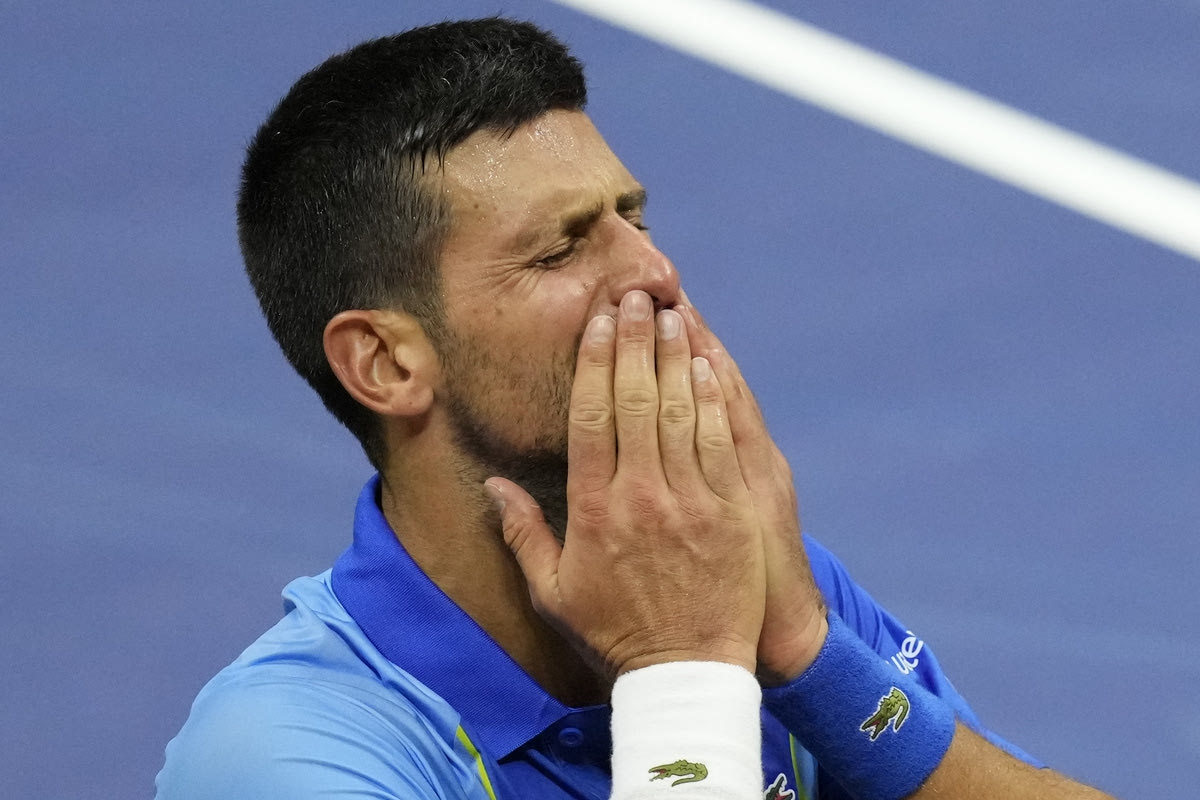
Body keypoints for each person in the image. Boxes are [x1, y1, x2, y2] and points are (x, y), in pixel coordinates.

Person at [156, 18, 1111, 800]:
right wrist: (685, 674)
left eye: (634, 219)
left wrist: (816, 661)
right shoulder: (286, 757)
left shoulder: (736, 574)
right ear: (386, 363)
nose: (654, 272)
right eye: (560, 250)